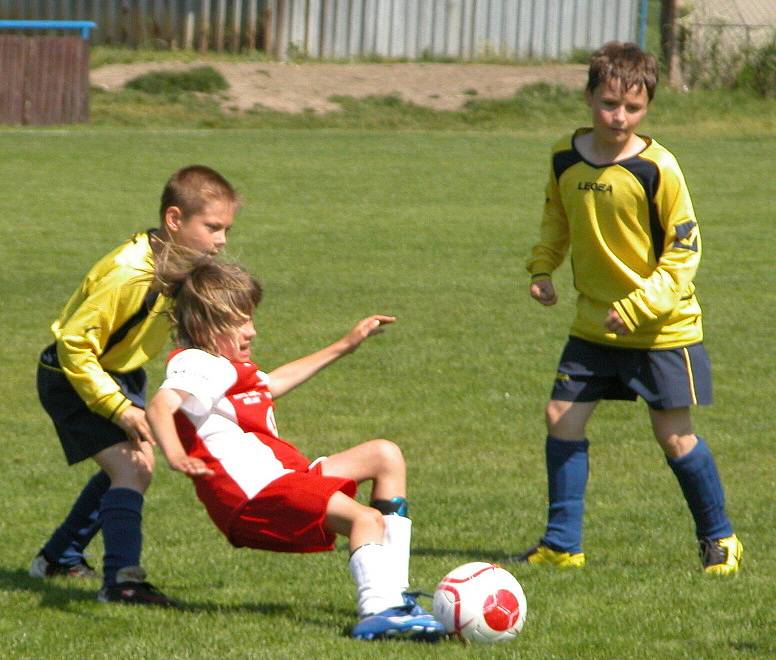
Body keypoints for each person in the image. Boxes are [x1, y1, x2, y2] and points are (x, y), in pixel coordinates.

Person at [516, 42, 742, 575]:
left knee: (674, 435)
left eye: (632, 108)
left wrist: (641, 306)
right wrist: (542, 269)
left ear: (647, 108)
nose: (619, 117)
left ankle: (721, 538)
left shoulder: (659, 167)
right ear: (589, 96)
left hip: (663, 328)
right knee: (560, 417)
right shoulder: (564, 156)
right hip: (594, 323)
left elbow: (684, 251)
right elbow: (558, 218)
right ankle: (562, 544)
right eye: (609, 103)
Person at [145, 255, 445, 641]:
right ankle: (379, 611)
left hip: (281, 480)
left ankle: (395, 596)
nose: (251, 331)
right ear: (204, 326)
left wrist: (345, 345)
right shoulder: (200, 363)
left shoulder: (228, 366)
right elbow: (161, 404)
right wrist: (175, 454)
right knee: (365, 520)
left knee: (384, 455)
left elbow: (270, 384)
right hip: (255, 495)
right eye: (239, 321)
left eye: (250, 318)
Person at [31, 165, 240, 605]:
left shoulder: (178, 260)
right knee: (133, 468)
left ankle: (59, 557)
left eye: (226, 229)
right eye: (213, 227)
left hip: (119, 372)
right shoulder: (131, 273)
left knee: (132, 467)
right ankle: (122, 583)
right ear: (174, 219)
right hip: (72, 375)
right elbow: (74, 344)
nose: (221, 240)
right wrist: (117, 407)